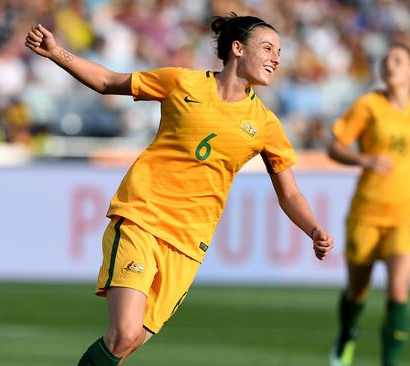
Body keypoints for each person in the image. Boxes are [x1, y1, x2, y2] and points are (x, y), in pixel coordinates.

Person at [25, 13, 334, 366]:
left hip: (188, 243)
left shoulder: (265, 125)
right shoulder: (180, 82)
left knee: (128, 343)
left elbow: (289, 193)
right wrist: (57, 52)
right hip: (142, 218)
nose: (276, 58)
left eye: (279, 51)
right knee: (123, 332)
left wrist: (313, 229)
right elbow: (109, 81)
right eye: (267, 48)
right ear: (237, 48)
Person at [327, 43, 410, 366]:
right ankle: (347, 333)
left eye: (398, 60)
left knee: (397, 289)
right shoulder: (368, 105)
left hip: (409, 210)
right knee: (357, 291)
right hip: (367, 210)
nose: (389, 65)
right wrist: (363, 159)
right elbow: (334, 148)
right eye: (386, 60)